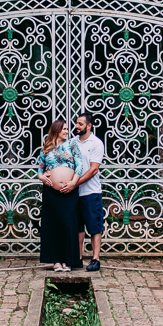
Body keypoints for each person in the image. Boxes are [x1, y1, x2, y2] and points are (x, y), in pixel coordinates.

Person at [38, 119, 85, 272]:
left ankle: (68, 260)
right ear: (56, 130)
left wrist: (73, 183)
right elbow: (39, 170)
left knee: (68, 223)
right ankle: (56, 261)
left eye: (67, 129)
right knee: (53, 225)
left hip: (69, 191)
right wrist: (42, 177)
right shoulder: (46, 148)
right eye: (64, 129)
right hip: (51, 193)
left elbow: (79, 165)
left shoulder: (72, 145)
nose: (66, 131)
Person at [73, 113, 105, 272]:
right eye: (77, 124)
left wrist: (75, 183)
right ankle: (78, 258)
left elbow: (93, 170)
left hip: (91, 192)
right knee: (78, 227)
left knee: (94, 226)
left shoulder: (97, 143)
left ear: (89, 126)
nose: (77, 126)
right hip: (74, 193)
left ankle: (95, 259)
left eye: (80, 124)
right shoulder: (72, 142)